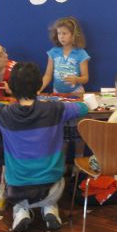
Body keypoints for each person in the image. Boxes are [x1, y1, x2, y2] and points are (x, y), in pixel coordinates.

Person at [0, 62, 89, 232]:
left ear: (11, 87)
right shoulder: (55, 109)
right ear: (39, 85)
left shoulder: (4, 113)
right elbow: (83, 108)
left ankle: (21, 211)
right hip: (52, 186)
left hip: (16, 187)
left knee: (18, 189)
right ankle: (50, 207)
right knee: (51, 183)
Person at [40, 16, 90, 163]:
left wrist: (77, 79)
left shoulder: (81, 54)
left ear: (74, 35)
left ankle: (78, 160)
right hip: (58, 96)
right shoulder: (53, 53)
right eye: (59, 33)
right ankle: (61, 161)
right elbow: (48, 75)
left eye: (65, 33)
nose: (61, 36)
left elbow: (86, 77)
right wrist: (39, 89)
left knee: (78, 129)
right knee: (61, 130)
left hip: (76, 94)